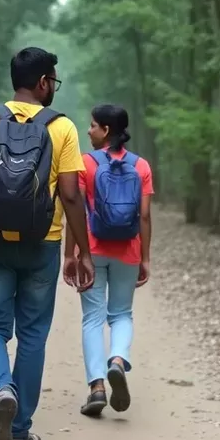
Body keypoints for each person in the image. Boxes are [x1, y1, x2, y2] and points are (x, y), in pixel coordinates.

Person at [0, 46, 95, 440]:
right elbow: (71, 196)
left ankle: (1, 390)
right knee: (33, 335)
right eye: (54, 81)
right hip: (42, 244)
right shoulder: (61, 127)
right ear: (44, 82)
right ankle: (18, 432)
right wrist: (83, 252)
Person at [66, 104, 153, 417]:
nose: (88, 130)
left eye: (93, 125)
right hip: (128, 251)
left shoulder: (86, 163)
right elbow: (144, 216)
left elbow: (75, 209)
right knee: (121, 314)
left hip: (92, 250)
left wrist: (70, 254)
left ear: (105, 130)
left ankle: (97, 388)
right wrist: (145, 258)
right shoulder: (141, 166)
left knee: (92, 318)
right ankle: (117, 359)